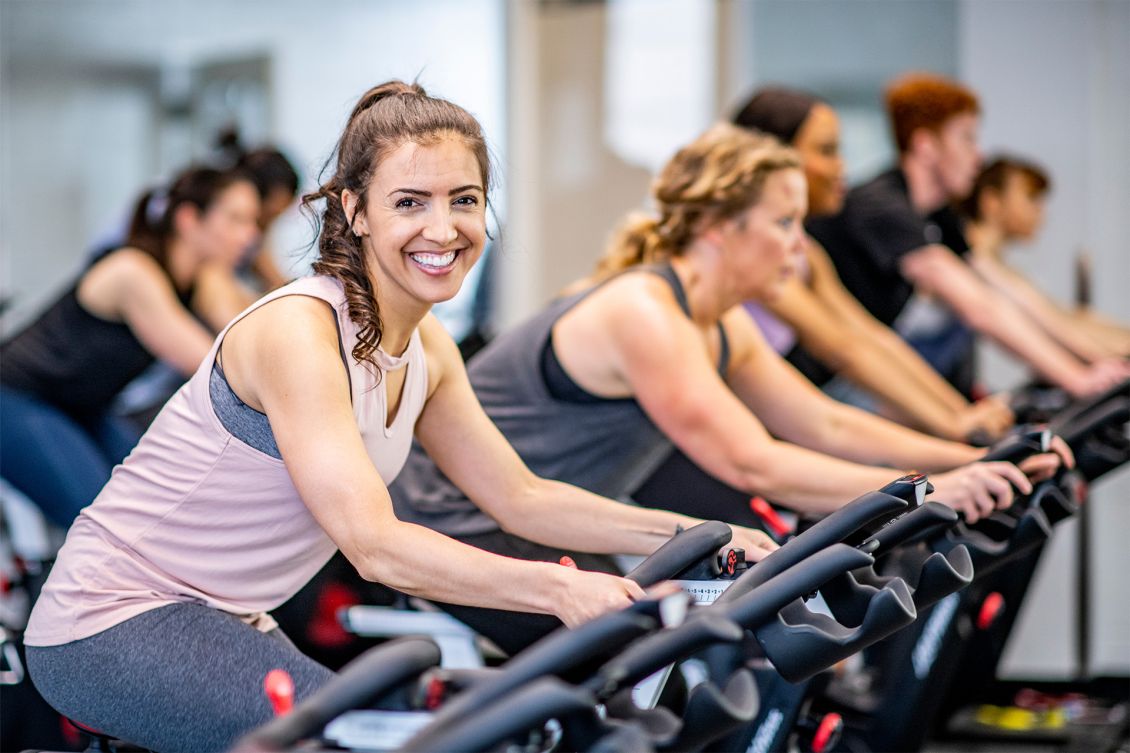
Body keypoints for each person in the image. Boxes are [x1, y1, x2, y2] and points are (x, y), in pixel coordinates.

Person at [23, 81, 773, 753]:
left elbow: (520, 496)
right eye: (410, 202)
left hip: (224, 614)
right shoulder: (300, 332)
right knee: (356, 736)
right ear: (354, 210)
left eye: (466, 199)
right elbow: (376, 546)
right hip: (112, 620)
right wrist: (558, 588)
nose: (443, 230)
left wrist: (693, 535)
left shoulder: (427, 347)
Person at [391, 123, 1068, 576]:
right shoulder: (643, 312)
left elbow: (824, 422)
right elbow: (754, 460)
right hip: (462, 523)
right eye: (783, 223)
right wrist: (933, 489)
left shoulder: (717, 320)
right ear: (719, 229)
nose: (799, 248)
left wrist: (973, 459)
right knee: (669, 660)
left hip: (554, 521)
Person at [807, 72, 1128, 399]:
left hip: (878, 369)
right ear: (926, 145)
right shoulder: (882, 207)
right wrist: (1078, 380)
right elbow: (978, 307)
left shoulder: (940, 216)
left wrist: (1100, 359)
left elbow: (1008, 292)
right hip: (830, 384)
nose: (978, 156)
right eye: (966, 138)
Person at [733, 86, 1012, 442]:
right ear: (775, 159)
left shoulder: (808, 252)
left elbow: (869, 336)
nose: (842, 167)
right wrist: (953, 428)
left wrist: (961, 414)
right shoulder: (756, 253)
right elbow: (842, 350)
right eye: (827, 151)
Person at [0, 166, 262, 527]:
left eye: (252, 221)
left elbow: (251, 331)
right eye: (236, 219)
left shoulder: (200, 278)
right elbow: (212, 364)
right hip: (18, 398)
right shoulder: (133, 273)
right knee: (104, 519)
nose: (250, 235)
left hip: (84, 407)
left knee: (156, 501)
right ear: (188, 219)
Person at [961, 156, 1130, 359]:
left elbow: (1062, 315)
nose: (1041, 213)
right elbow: (1057, 326)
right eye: (1031, 199)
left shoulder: (994, 263)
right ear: (992, 201)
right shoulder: (972, 260)